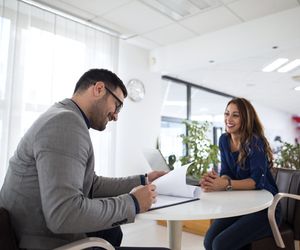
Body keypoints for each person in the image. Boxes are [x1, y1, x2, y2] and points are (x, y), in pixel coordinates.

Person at [0, 69, 169, 250]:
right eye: (117, 105)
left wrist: (144, 180)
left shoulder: (62, 115)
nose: (116, 116)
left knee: (112, 232)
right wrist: (133, 203)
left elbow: (91, 184)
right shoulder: (65, 123)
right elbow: (63, 215)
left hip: (30, 230)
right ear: (98, 89)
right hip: (40, 240)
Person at [200, 97, 281, 250]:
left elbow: (257, 182)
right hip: (242, 205)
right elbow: (226, 172)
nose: (228, 119)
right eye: (226, 113)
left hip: (265, 208)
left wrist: (226, 184)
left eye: (235, 115)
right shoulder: (224, 139)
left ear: (246, 119)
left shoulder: (255, 142)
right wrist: (216, 182)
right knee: (208, 241)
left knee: (220, 244)